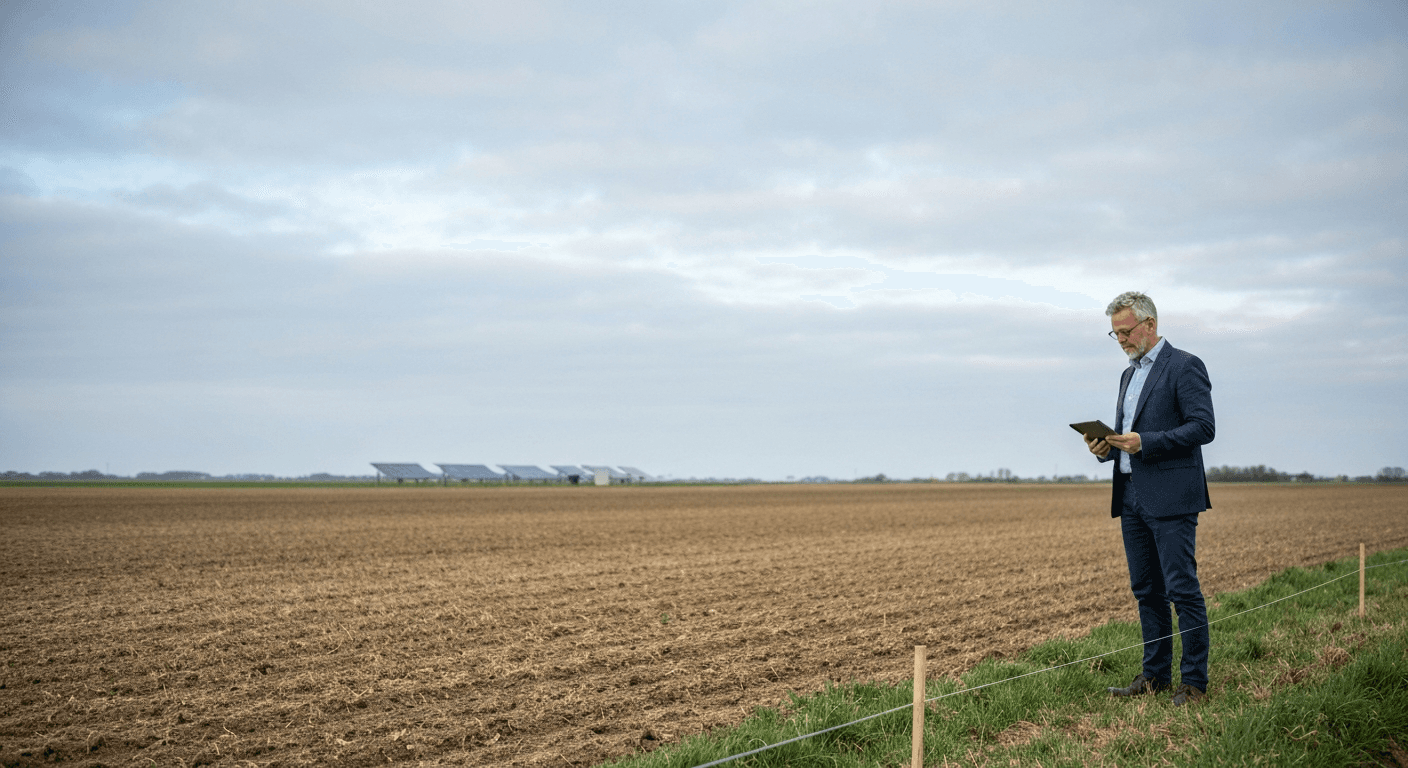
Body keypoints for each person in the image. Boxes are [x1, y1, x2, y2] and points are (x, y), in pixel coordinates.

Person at [1083, 291, 1215, 706]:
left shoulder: (1185, 365)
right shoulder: (1127, 375)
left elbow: (1203, 427)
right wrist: (1105, 448)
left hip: (1172, 497)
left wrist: (1147, 442)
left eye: (1126, 331)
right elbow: (1127, 440)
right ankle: (1154, 677)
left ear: (1150, 324)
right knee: (1146, 591)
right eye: (1115, 333)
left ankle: (1193, 683)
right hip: (1129, 497)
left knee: (1182, 590)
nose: (1121, 339)